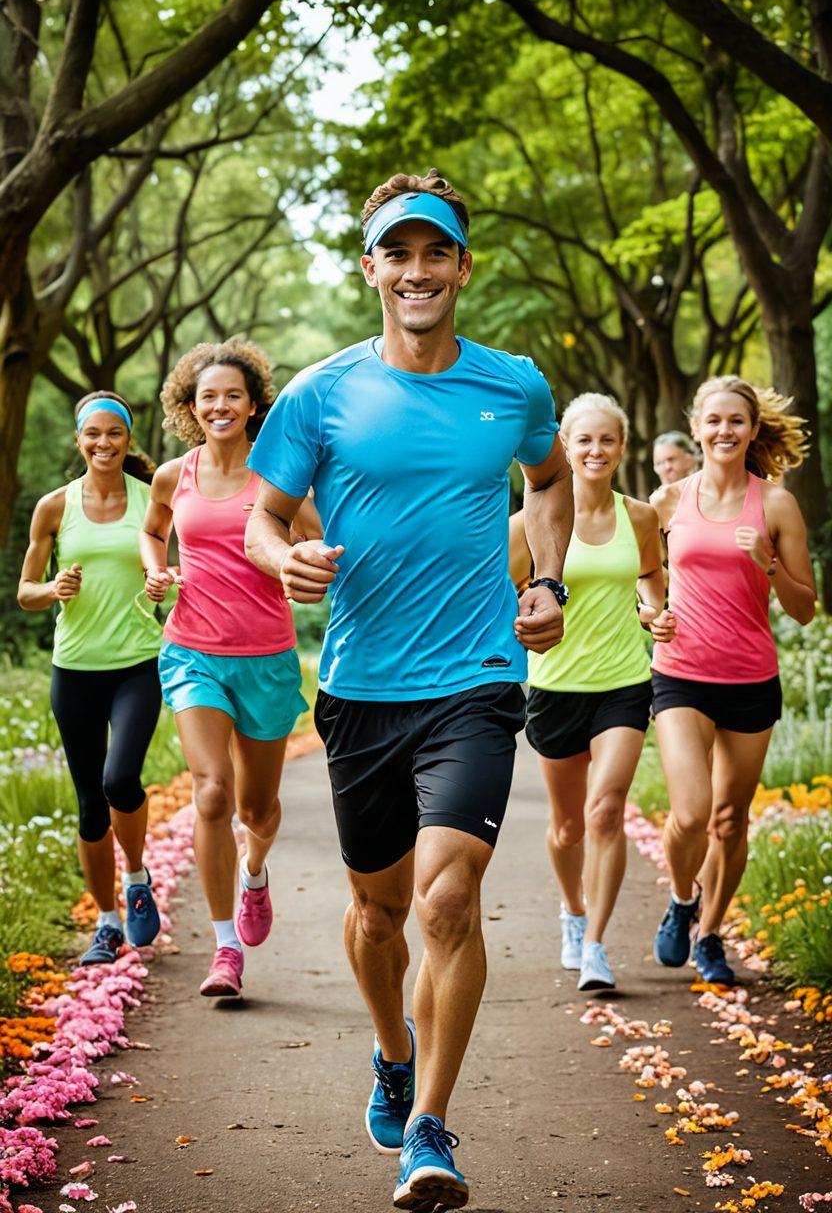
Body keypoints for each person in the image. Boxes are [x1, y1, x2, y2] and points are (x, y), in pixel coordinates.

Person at [245, 170, 572, 1211]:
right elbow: (262, 516)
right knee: (379, 913)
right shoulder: (320, 393)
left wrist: (549, 580)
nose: (417, 271)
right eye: (399, 253)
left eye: (436, 252)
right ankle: (392, 1052)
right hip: (360, 687)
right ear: (370, 268)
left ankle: (428, 1129)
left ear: (463, 267)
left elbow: (550, 480)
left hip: (476, 676)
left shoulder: (514, 385)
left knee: (447, 898)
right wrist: (283, 560)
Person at [141, 338, 309, 999]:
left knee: (256, 809)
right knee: (211, 793)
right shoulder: (172, 476)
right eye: (207, 396)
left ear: (253, 404)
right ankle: (225, 949)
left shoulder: (278, 478)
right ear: (190, 406)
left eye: (232, 395)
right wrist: (157, 570)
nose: (219, 406)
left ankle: (254, 870)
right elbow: (153, 530)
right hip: (193, 652)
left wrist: (305, 565)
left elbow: (318, 539)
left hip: (266, 658)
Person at [650, 376, 816, 985]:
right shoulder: (668, 500)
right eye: (714, 420)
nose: (725, 430)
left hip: (750, 677)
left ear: (752, 430)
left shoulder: (776, 504)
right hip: (681, 673)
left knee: (729, 820)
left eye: (736, 421)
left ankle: (713, 933)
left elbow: (806, 607)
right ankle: (682, 899)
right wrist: (652, 613)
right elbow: (643, 573)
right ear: (697, 428)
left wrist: (767, 564)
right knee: (691, 813)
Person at [512, 393, 672, 992]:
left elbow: (651, 574)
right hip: (555, 686)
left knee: (605, 810)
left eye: (607, 440)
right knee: (566, 827)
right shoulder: (529, 524)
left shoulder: (640, 517)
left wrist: (652, 609)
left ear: (622, 447)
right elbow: (499, 593)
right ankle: (572, 913)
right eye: (583, 440)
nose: (595, 450)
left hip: (623, 683)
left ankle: (597, 946)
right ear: (564, 446)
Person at [18, 392, 163, 965]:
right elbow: (26, 592)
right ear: (78, 440)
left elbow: (173, 574)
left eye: (114, 433)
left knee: (120, 780)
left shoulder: (152, 501)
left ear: (128, 439)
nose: (104, 443)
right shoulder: (54, 507)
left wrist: (163, 585)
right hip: (73, 669)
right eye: (93, 434)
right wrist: (52, 589)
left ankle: (137, 877)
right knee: (90, 808)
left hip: (137, 664)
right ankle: (106, 924)